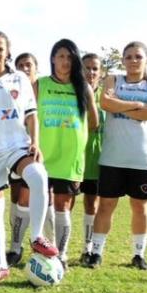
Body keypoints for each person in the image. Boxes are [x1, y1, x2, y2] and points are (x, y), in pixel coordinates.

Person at [0, 31, 58, 283]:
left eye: (0, 49)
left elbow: (31, 115)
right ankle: (0, 265)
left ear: (8, 52)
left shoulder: (20, 79)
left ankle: (37, 236)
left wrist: (35, 142)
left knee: (38, 175)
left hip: (17, 146)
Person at [86, 42, 147, 270]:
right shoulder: (113, 80)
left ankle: (139, 255)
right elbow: (105, 103)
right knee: (106, 205)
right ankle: (96, 253)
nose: (133, 60)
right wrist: (138, 106)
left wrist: (121, 106)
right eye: (128, 57)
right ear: (123, 61)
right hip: (113, 157)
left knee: (140, 207)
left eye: (138, 56)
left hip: (144, 158)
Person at [36, 39, 99, 270]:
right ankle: (47, 247)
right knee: (45, 205)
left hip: (70, 159)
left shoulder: (83, 88)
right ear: (53, 58)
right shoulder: (40, 84)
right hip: (42, 157)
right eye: (61, 56)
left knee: (63, 207)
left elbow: (93, 122)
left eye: (70, 57)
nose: (65, 61)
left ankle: (61, 254)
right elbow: (30, 117)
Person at [5, 52, 38, 265]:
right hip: (13, 152)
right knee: (17, 199)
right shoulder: (14, 90)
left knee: (34, 198)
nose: (25, 69)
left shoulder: (44, 90)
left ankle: (39, 244)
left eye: (29, 65)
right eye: (21, 65)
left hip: (36, 153)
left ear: (36, 68)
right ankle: (15, 245)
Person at [78, 53, 104, 262]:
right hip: (72, 158)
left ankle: (88, 247)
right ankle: (60, 246)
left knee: (91, 204)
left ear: (101, 73)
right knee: (63, 203)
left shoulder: (107, 97)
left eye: (95, 68)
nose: (91, 72)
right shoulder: (72, 94)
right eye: (87, 68)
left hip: (96, 160)